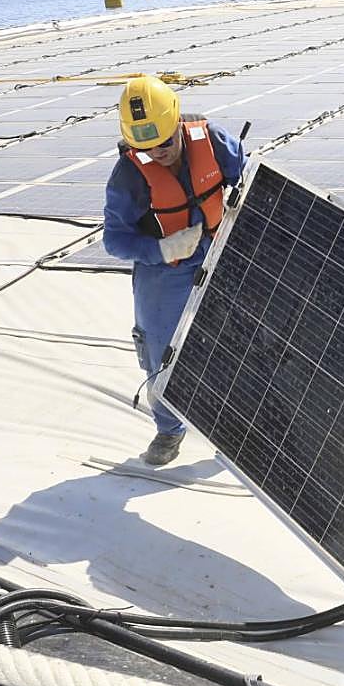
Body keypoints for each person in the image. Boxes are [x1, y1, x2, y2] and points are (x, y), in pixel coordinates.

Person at [104, 76, 245, 466]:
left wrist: (239, 202)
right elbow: (114, 240)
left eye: (164, 142)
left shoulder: (213, 140)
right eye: (144, 147)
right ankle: (169, 427)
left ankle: (244, 427)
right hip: (165, 266)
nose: (157, 153)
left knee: (248, 339)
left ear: (178, 123)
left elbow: (249, 178)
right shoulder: (128, 176)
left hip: (223, 250)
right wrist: (161, 249)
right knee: (159, 349)